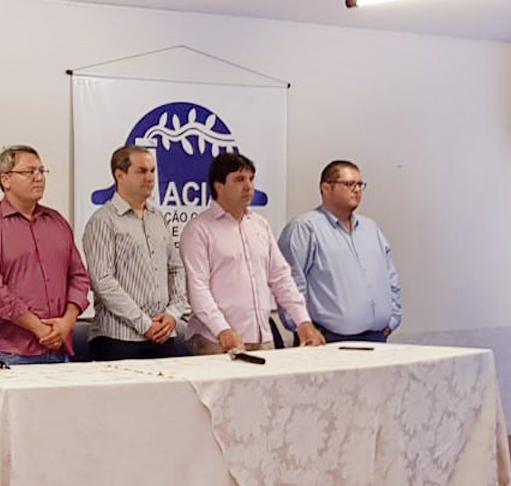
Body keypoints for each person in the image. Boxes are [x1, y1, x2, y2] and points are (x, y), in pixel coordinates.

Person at [180, 152, 325, 353]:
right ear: (218, 186)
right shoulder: (198, 230)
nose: (248, 187)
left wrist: (303, 321)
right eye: (239, 180)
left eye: (251, 179)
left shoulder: (260, 225)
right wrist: (222, 330)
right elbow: (197, 288)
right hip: (215, 340)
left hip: (262, 337)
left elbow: (281, 277)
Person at [0, 145, 90, 364]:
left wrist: (66, 322)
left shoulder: (57, 222)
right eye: (29, 172)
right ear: (6, 180)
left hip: (60, 347)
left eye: (42, 171)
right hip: (11, 353)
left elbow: (79, 277)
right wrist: (38, 327)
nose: (38, 178)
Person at [82, 145, 189, 360]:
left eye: (152, 171)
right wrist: (144, 323)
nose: (149, 178)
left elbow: (176, 268)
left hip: (163, 334)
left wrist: (172, 314)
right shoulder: (103, 221)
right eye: (141, 171)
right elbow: (103, 281)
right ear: (119, 175)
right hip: (118, 339)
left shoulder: (158, 217)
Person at [277, 160, 402, 343]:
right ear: (326, 188)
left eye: (360, 184)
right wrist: (302, 326)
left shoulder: (370, 228)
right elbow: (291, 283)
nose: (357, 190)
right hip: (327, 340)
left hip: (376, 337)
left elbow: (391, 278)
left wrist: (393, 319)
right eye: (349, 184)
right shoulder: (305, 228)